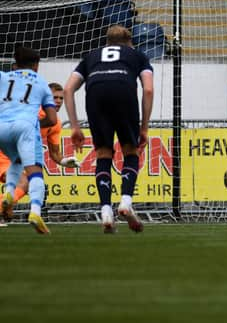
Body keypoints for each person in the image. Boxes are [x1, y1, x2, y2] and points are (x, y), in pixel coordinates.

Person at [64, 25, 154, 234]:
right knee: (131, 151)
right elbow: (148, 89)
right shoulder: (137, 55)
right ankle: (125, 202)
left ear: (106, 43)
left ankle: (105, 211)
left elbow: (68, 88)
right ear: (130, 42)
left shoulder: (91, 56)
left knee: (103, 153)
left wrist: (75, 126)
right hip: (124, 92)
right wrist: (144, 128)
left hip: (96, 95)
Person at [0, 46, 57, 234]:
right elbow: (51, 119)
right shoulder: (41, 83)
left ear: (15, 65)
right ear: (36, 66)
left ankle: (8, 192)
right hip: (25, 126)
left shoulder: (3, 77)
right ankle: (35, 212)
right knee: (35, 173)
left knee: (15, 160)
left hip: (2, 127)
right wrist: (34, 124)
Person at [0, 82, 78, 218]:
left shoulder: (55, 123)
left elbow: (54, 153)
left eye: (61, 98)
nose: (58, 101)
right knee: (25, 183)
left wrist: (65, 161)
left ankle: (4, 207)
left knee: (24, 186)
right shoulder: (27, 110)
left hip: (15, 160)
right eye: (55, 97)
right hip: (4, 155)